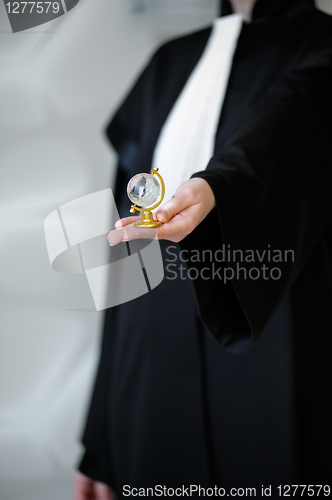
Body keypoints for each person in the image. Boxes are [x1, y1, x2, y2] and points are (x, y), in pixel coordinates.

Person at [74, 0, 332, 498]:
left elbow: (283, 128)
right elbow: (120, 263)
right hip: (146, 370)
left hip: (272, 358)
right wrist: (98, 440)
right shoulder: (168, 64)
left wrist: (217, 186)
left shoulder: (320, 48)